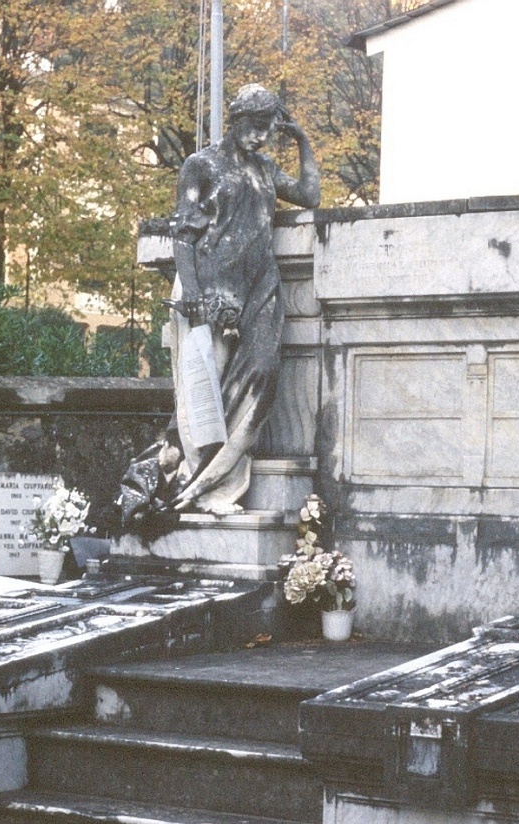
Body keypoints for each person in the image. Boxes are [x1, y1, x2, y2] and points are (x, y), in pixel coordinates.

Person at [119, 83, 319, 522]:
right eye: (256, 127)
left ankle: (218, 475)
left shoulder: (264, 169)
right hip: (212, 289)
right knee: (202, 394)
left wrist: (302, 141)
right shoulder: (202, 165)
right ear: (236, 121)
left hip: (260, 286)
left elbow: (310, 196)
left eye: (269, 129)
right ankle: (203, 483)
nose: (262, 137)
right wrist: (190, 292)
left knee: (262, 374)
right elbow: (183, 234)